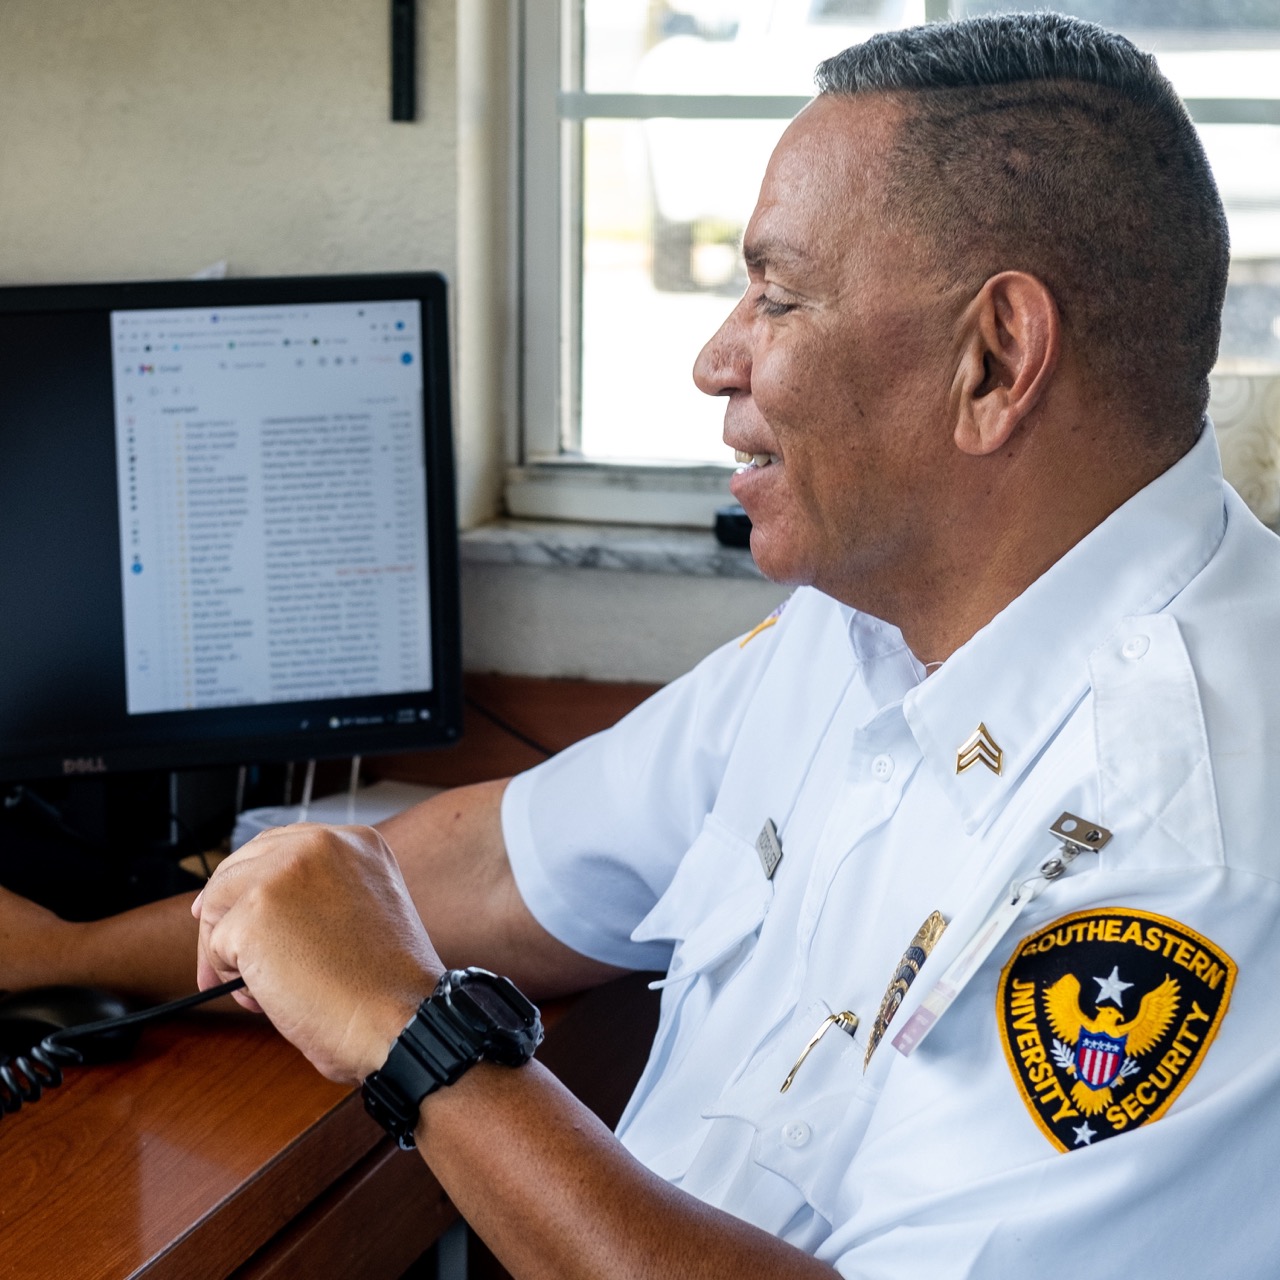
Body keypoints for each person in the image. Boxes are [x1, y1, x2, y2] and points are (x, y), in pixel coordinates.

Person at [7, 11, 1280, 1276]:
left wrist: (412, 1035)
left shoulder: (1188, 840)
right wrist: (63, 958)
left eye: (776, 296)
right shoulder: (864, 626)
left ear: (994, 359)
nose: (712, 356)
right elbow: (504, 872)